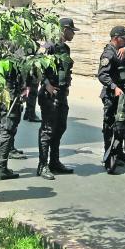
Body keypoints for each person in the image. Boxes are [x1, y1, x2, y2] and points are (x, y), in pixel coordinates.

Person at [37, 18, 77, 180]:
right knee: (47, 130)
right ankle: (42, 165)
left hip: (61, 94)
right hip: (49, 94)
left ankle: (54, 162)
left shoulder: (65, 49)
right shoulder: (50, 46)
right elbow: (38, 66)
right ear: (64, 29)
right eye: (72, 30)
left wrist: (66, 87)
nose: (73, 33)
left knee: (60, 127)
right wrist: (47, 85)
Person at [96, 25, 125, 165]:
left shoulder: (121, 48)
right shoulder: (109, 53)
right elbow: (102, 75)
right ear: (116, 38)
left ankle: (119, 153)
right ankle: (109, 156)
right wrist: (114, 87)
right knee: (110, 126)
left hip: (123, 93)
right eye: (124, 39)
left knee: (121, 124)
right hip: (111, 95)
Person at [0, 51, 26, 180]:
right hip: (9, 93)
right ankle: (2, 168)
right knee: (6, 130)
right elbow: (25, 74)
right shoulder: (18, 52)